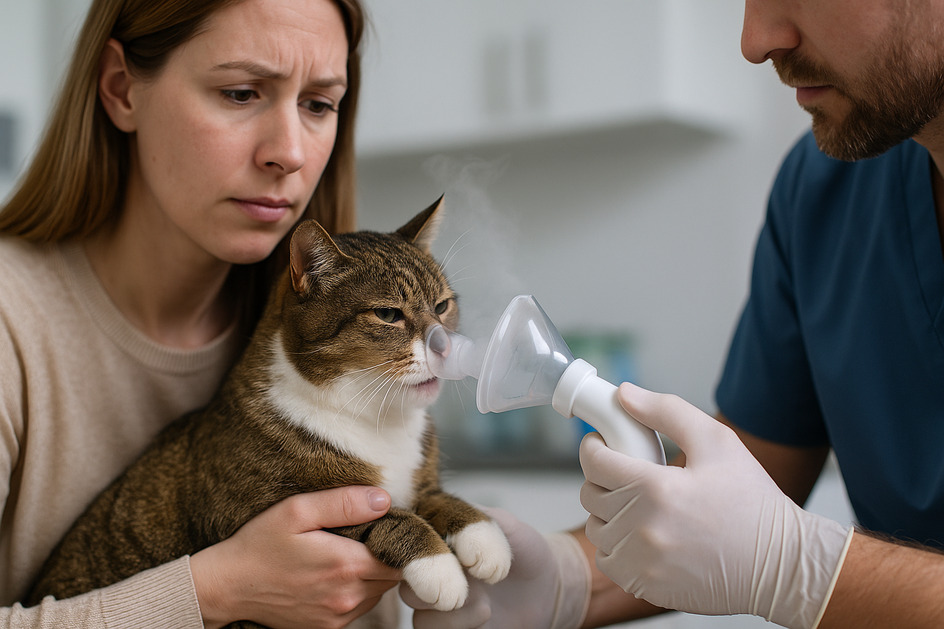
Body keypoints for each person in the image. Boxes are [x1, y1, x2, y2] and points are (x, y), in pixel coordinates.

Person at [403, 0, 944, 627]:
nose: (756, 40)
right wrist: (570, 581)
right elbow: (736, 494)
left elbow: (766, 549)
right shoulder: (824, 194)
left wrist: (799, 568)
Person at [0, 0, 405, 627]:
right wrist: (215, 591)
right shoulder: (11, 320)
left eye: (319, 105)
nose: (289, 152)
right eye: (241, 93)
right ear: (120, 89)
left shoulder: (334, 338)